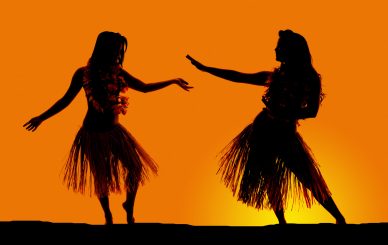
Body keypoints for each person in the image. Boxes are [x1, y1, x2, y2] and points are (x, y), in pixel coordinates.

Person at [24, 31, 193, 225]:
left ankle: (129, 207)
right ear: (104, 49)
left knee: (135, 168)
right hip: (92, 133)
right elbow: (65, 100)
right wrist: (41, 118)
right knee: (101, 176)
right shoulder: (83, 74)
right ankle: (108, 216)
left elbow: (144, 87)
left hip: (115, 132)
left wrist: (171, 81)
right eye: (116, 50)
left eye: (121, 52)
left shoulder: (118, 73)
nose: (118, 55)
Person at [186, 29, 346, 224]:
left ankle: (339, 219)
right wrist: (206, 69)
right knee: (270, 176)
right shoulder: (276, 76)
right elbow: (239, 76)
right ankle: (282, 222)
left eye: (279, 46)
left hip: (286, 134)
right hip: (262, 131)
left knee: (308, 176)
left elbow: (312, 112)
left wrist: (284, 113)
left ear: (291, 50)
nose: (275, 49)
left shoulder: (311, 79)